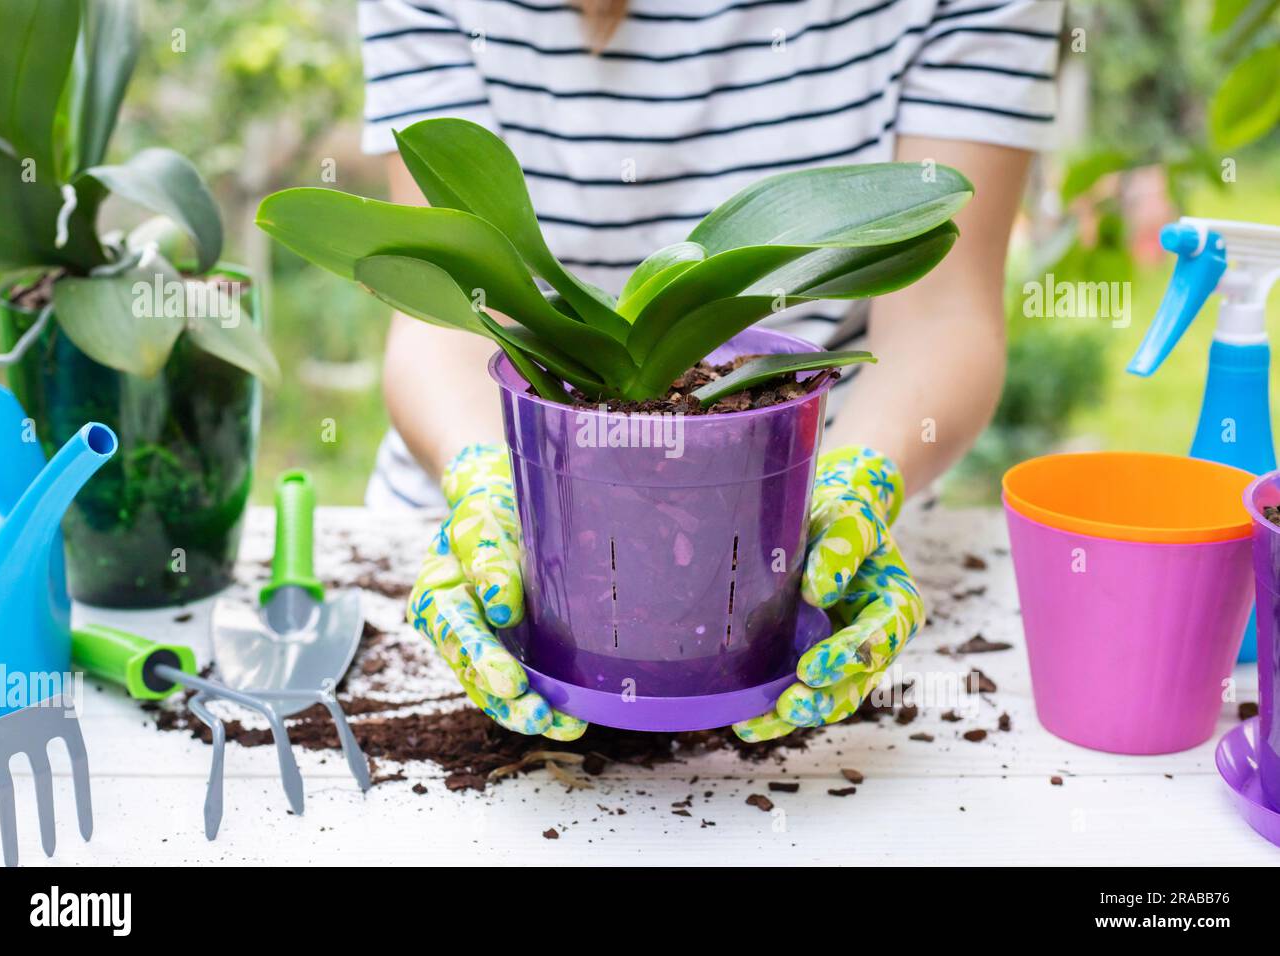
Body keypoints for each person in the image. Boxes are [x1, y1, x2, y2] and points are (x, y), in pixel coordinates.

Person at [359, 0, 1064, 739]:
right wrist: (485, 483)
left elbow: (945, 314)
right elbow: (444, 315)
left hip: (789, 533)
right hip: (517, 530)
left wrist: (857, 487)